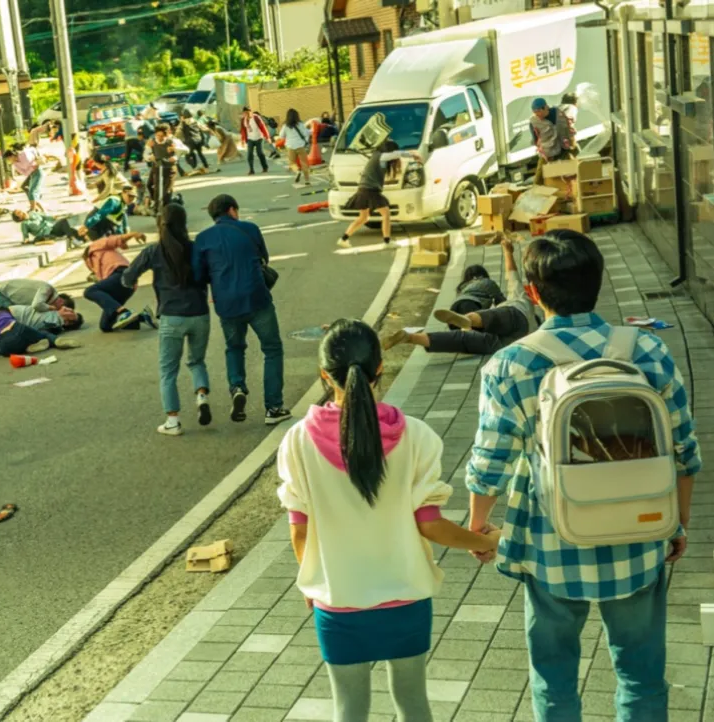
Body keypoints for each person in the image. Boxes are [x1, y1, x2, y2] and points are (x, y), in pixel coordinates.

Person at [466, 230, 701, 722]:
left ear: (533, 292)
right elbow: (683, 450)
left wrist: (478, 527)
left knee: (553, 680)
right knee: (641, 676)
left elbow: (490, 463)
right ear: (598, 281)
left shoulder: (511, 364)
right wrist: (676, 521)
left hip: (550, 542)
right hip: (639, 534)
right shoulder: (646, 350)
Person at [277, 319, 500, 722]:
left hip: (338, 599)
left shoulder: (298, 441)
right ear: (380, 368)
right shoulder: (416, 436)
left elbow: (300, 530)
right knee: (413, 702)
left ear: (324, 375)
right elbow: (430, 525)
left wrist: (312, 579)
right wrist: (486, 541)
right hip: (405, 597)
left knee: (348, 708)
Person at [193, 195, 290, 425]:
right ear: (232, 210)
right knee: (272, 349)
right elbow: (264, 258)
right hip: (257, 298)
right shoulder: (250, 229)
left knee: (234, 348)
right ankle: (273, 407)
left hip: (226, 305)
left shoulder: (202, 239)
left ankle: (237, 387)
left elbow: (198, 275)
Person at [122, 203, 211, 436]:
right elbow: (209, 275)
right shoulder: (196, 248)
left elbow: (128, 276)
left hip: (172, 317)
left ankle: (173, 421)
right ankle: (202, 396)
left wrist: (130, 281)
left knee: (168, 371)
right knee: (197, 361)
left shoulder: (154, 251)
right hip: (200, 314)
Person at [381, 235, 538, 356]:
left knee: (484, 324)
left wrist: (508, 252)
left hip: (514, 318)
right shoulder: (532, 321)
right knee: (467, 338)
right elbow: (511, 276)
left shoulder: (522, 300)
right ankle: (411, 338)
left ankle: (466, 320)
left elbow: (512, 274)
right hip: (507, 343)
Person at [337, 140, 421, 248]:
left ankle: (343, 239)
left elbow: (394, 155)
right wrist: (412, 154)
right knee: (386, 214)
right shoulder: (382, 157)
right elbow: (397, 154)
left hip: (363, 189)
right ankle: (387, 242)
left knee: (363, 218)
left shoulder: (376, 156)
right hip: (370, 190)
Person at [82, 231, 153, 332]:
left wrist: (133, 234)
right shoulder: (98, 269)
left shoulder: (95, 247)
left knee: (89, 291)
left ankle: (123, 312)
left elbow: (115, 240)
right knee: (105, 326)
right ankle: (143, 317)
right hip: (124, 287)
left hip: (121, 273)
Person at [0, 303, 82, 358]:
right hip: (21, 327)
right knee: (42, 334)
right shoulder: (3, 312)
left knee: (2, 349)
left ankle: (27, 348)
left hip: (8, 338)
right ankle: (55, 340)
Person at [530, 98, 574, 184]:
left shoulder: (557, 113)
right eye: (535, 112)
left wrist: (570, 141)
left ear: (545, 107)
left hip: (563, 149)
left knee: (570, 174)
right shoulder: (534, 122)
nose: (537, 115)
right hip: (547, 153)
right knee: (539, 178)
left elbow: (567, 128)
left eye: (538, 112)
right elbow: (535, 139)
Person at [146, 125, 182, 213]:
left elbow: (185, 150)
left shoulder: (172, 141)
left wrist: (175, 154)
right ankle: (156, 207)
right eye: (158, 135)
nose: (160, 138)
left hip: (169, 168)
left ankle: (170, 205)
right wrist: (150, 156)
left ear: (166, 135)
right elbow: (146, 153)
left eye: (162, 136)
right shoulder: (152, 142)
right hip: (158, 167)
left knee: (166, 191)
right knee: (157, 189)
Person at [5, 146, 45, 213]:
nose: (9, 160)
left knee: (32, 193)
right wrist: (31, 167)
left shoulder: (23, 154)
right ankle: (37, 207)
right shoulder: (15, 164)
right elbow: (25, 173)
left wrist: (36, 157)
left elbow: (33, 151)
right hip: (31, 175)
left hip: (38, 172)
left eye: (9, 158)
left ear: (12, 155)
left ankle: (33, 208)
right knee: (27, 189)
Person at [279, 108, 313, 187]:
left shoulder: (285, 126)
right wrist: (311, 130)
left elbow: (281, 136)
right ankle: (307, 181)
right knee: (304, 163)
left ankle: (297, 171)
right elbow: (306, 133)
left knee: (292, 163)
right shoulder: (300, 124)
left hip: (290, 146)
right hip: (300, 146)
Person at [12, 209, 81, 246]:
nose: (21, 212)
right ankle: (73, 240)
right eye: (18, 213)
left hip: (52, 228)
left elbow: (45, 217)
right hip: (46, 234)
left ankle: (82, 238)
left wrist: (54, 217)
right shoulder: (24, 224)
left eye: (19, 210)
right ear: (19, 218)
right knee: (64, 224)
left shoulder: (33, 213)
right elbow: (25, 236)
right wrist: (26, 240)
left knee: (67, 225)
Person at [240, 106, 271, 175]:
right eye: (245, 113)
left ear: (250, 112)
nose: (246, 114)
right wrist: (242, 140)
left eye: (248, 112)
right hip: (250, 139)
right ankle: (251, 170)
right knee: (249, 154)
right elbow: (243, 130)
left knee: (259, 153)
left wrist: (267, 137)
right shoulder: (243, 120)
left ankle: (265, 167)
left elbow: (263, 127)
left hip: (259, 138)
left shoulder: (256, 117)